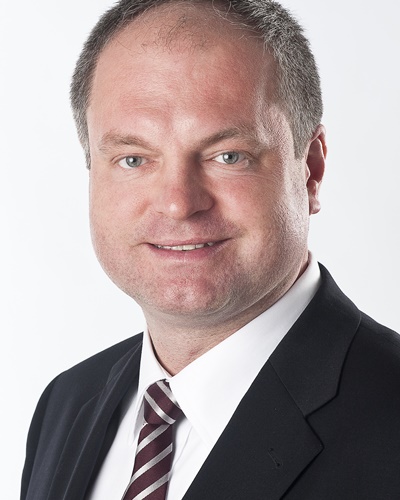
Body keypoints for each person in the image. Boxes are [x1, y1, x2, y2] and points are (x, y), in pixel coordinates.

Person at [21, 0, 400, 498]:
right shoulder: (67, 404)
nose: (178, 204)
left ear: (311, 169)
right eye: (133, 159)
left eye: (228, 156)